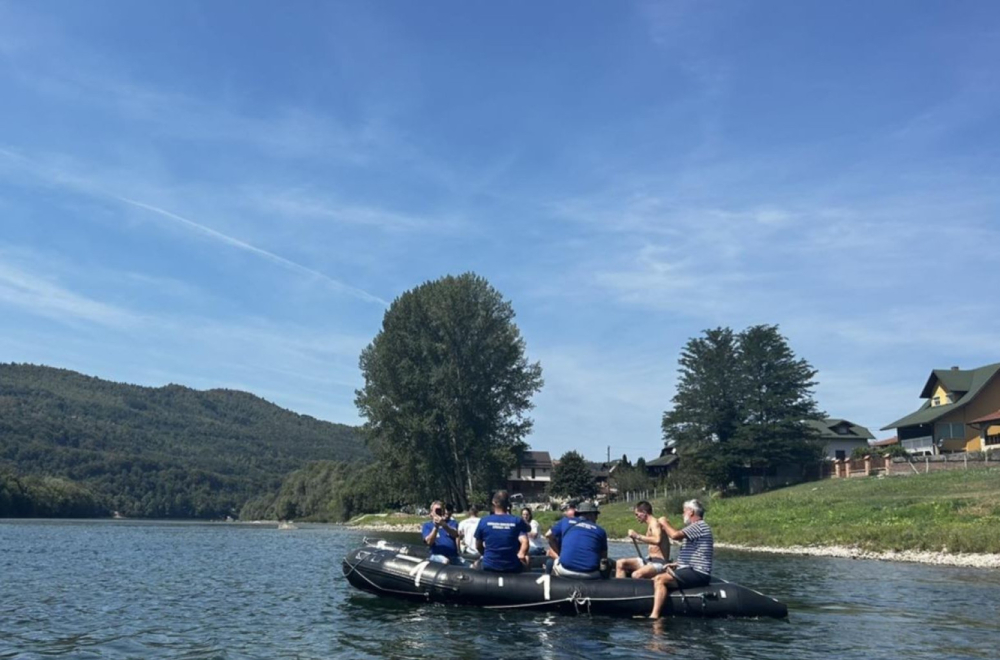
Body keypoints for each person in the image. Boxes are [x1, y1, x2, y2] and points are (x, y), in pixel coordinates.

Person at [649, 499, 714, 618]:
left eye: (684, 512)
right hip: (691, 569)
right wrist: (677, 564)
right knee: (656, 577)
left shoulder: (699, 526)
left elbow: (675, 535)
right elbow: (695, 553)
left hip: (698, 572)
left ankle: (654, 616)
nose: (682, 515)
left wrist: (664, 522)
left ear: (691, 512)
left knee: (660, 579)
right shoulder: (695, 528)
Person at [547, 500, 608, 578]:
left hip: (565, 570)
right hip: (590, 574)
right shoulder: (600, 531)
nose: (596, 518)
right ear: (590, 515)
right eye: (596, 515)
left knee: (553, 563)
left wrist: (558, 556)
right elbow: (603, 557)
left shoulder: (565, 521)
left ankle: (551, 587)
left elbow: (548, 535)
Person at [474, 490, 530, 573]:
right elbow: (528, 528)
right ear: (508, 504)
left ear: (493, 502)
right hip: (511, 565)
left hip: (489, 564)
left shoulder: (484, 521)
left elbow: (478, 546)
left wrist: (486, 555)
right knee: (526, 565)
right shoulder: (516, 521)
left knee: (475, 565)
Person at [616, 500, 670, 578]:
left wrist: (637, 536)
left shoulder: (655, 523)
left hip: (659, 563)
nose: (636, 517)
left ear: (644, 512)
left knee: (636, 574)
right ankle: (620, 589)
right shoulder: (650, 525)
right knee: (620, 563)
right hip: (649, 560)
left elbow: (657, 540)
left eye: (637, 514)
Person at [421, 500, 460, 564]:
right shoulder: (427, 525)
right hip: (436, 556)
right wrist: (436, 527)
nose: (439, 512)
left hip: (453, 556)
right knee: (445, 561)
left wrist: (443, 524)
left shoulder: (452, 523)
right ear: (431, 513)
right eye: (437, 510)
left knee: (472, 566)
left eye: (441, 510)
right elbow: (428, 542)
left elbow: (455, 534)